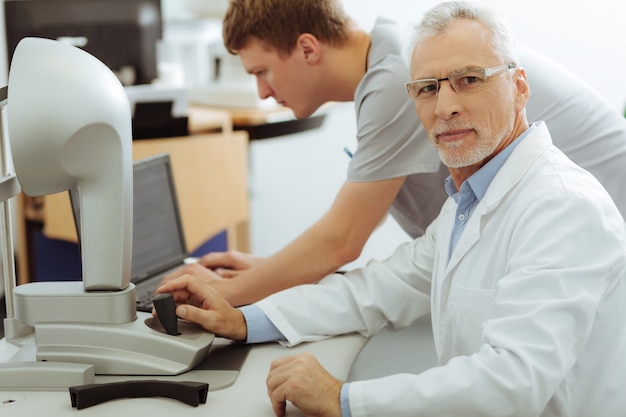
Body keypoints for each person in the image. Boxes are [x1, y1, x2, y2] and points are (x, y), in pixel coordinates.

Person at [156, 2, 626, 416]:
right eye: (426, 89)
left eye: (468, 80)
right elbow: (378, 288)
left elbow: (511, 382)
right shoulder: (470, 203)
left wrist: (344, 399)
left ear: (519, 88)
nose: (445, 106)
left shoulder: (561, 208)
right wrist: (246, 320)